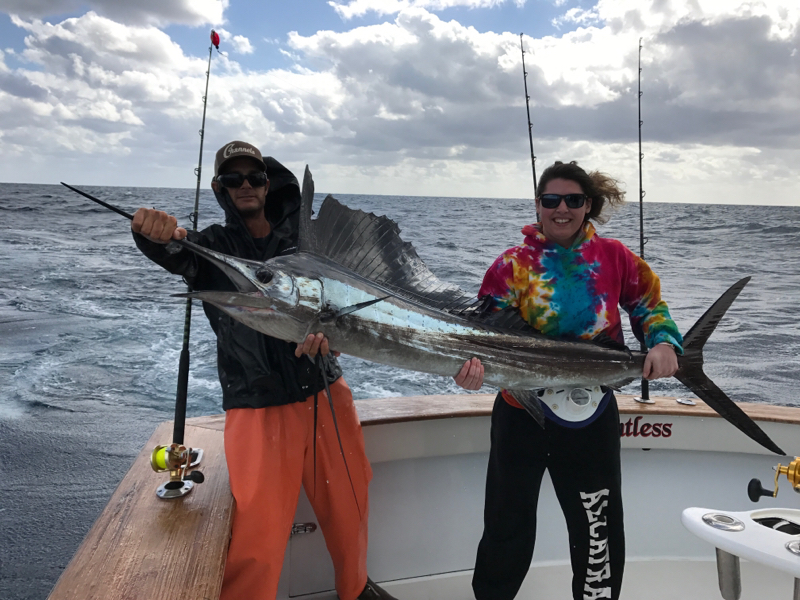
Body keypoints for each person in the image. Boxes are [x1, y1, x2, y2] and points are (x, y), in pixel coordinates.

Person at [130, 141, 396, 600]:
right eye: (233, 179)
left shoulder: (303, 246)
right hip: (257, 405)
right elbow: (177, 254)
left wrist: (335, 337)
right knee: (260, 535)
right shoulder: (213, 246)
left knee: (350, 505)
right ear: (219, 188)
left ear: (267, 183)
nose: (245, 186)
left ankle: (355, 591)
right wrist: (150, 234)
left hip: (325, 392)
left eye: (254, 177)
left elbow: (345, 312)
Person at [454, 161, 682, 600]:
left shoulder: (614, 256)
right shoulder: (510, 265)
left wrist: (664, 342)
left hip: (590, 415)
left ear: (588, 205)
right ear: (538, 205)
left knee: (598, 533)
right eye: (551, 199)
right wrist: (473, 372)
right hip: (520, 414)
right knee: (505, 525)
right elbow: (482, 338)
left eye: (573, 200)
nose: (562, 209)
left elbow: (649, 305)